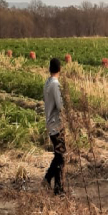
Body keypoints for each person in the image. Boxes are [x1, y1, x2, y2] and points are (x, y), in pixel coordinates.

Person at [43, 57, 66, 195]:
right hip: (57, 124)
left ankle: (57, 187)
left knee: (59, 155)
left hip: (50, 122)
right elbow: (60, 105)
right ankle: (50, 180)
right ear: (60, 69)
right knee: (60, 156)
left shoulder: (47, 83)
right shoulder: (56, 85)